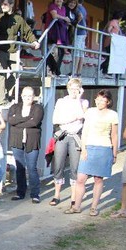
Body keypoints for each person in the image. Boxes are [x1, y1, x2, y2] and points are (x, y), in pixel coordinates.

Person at [65, 89, 118, 216]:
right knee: (81, 178)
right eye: (98, 99)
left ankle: (94, 207)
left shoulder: (113, 115)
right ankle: (76, 206)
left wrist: (114, 153)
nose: (99, 102)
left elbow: (114, 135)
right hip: (89, 147)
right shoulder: (90, 112)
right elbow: (85, 132)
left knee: (98, 179)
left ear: (108, 102)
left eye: (102, 100)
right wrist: (84, 149)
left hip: (104, 148)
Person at [50, 78, 88, 207]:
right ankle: (56, 195)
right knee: (58, 164)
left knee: (75, 167)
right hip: (63, 134)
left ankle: (73, 196)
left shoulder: (83, 102)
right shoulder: (61, 101)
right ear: (68, 89)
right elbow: (56, 120)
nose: (74, 91)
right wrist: (73, 118)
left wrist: (78, 99)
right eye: (72, 89)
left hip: (76, 136)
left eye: (77, 89)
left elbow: (83, 116)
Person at [0, 0, 40, 100]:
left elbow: (27, 32)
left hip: (14, 51)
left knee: (16, 73)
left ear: (11, 5)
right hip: (1, 50)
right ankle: (1, 97)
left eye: (5, 4)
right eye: (2, 5)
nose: (2, 6)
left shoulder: (18, 19)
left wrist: (34, 41)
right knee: (0, 75)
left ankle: (4, 92)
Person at [8, 86, 44, 203]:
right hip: (17, 141)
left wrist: (18, 121)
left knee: (32, 168)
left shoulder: (38, 108)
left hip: (32, 141)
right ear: (21, 96)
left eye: (30, 96)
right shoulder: (14, 107)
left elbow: (34, 122)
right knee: (20, 167)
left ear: (33, 97)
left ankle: (35, 194)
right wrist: (28, 118)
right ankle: (20, 192)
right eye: (25, 95)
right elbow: (10, 121)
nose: (27, 98)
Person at [45, 0, 71, 76]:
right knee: (53, 52)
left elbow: (63, 19)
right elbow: (54, 16)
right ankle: (51, 71)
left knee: (61, 53)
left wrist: (67, 21)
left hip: (61, 34)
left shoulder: (63, 8)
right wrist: (65, 18)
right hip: (52, 33)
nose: (58, 0)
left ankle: (56, 71)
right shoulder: (52, 6)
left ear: (63, 0)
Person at [100, 10, 124, 77]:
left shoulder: (117, 23)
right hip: (110, 42)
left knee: (112, 57)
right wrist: (112, 35)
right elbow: (108, 30)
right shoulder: (113, 22)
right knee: (110, 57)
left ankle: (105, 70)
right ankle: (104, 70)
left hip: (114, 43)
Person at [73, 0, 88, 75]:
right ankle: (79, 71)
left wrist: (75, 23)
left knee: (77, 51)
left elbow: (80, 16)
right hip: (84, 32)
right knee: (81, 52)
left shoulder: (77, 8)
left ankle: (74, 71)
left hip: (79, 32)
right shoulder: (84, 8)